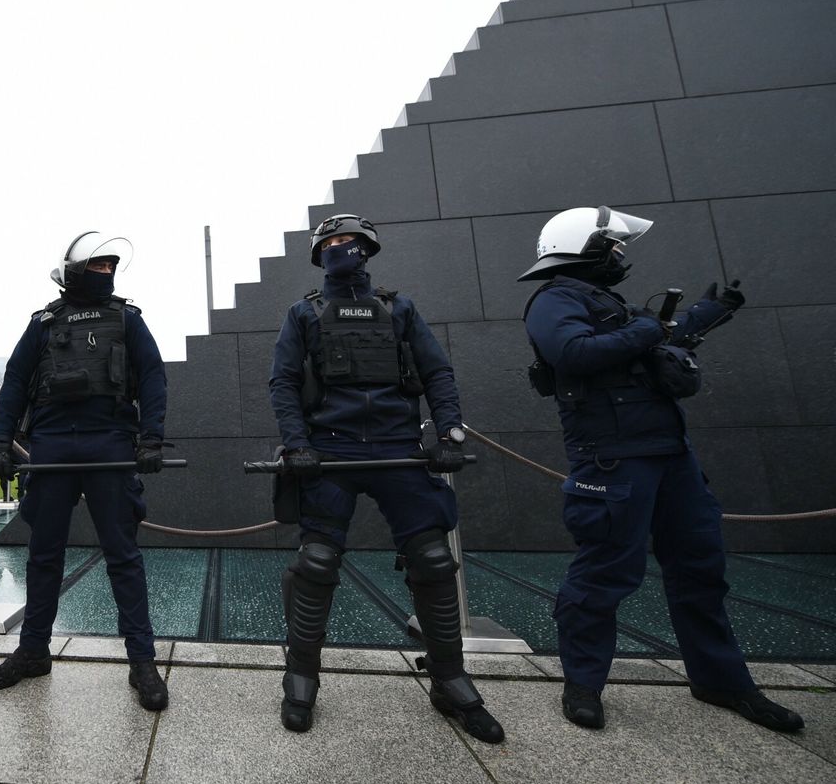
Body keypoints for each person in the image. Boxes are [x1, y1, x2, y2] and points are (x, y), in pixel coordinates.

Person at [519, 205, 803, 733]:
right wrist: (649, 329)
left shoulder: (612, 305)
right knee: (604, 573)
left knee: (701, 570)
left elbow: (656, 340)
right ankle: (583, 684)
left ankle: (721, 680)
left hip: (671, 457)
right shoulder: (553, 300)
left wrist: (709, 312)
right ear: (586, 246)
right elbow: (574, 351)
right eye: (615, 244)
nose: (622, 254)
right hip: (611, 459)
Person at [268, 214, 503, 743]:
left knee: (434, 560)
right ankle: (301, 678)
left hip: (399, 450)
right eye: (330, 242)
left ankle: (450, 679)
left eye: (348, 241)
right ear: (318, 253)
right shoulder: (302, 313)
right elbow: (282, 382)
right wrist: (298, 444)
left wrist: (449, 435)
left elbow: (437, 371)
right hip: (331, 451)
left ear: (367, 249)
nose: (340, 247)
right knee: (317, 562)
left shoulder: (400, 308)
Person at [0, 232, 169, 711]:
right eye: (97, 266)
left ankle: (142, 661)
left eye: (111, 267)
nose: (105, 274)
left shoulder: (127, 318)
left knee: (122, 556)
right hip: (50, 447)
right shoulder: (43, 323)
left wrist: (151, 437)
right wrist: (0, 442)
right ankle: (32, 652)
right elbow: (16, 383)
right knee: (43, 555)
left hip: (109, 443)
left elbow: (152, 377)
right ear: (74, 269)